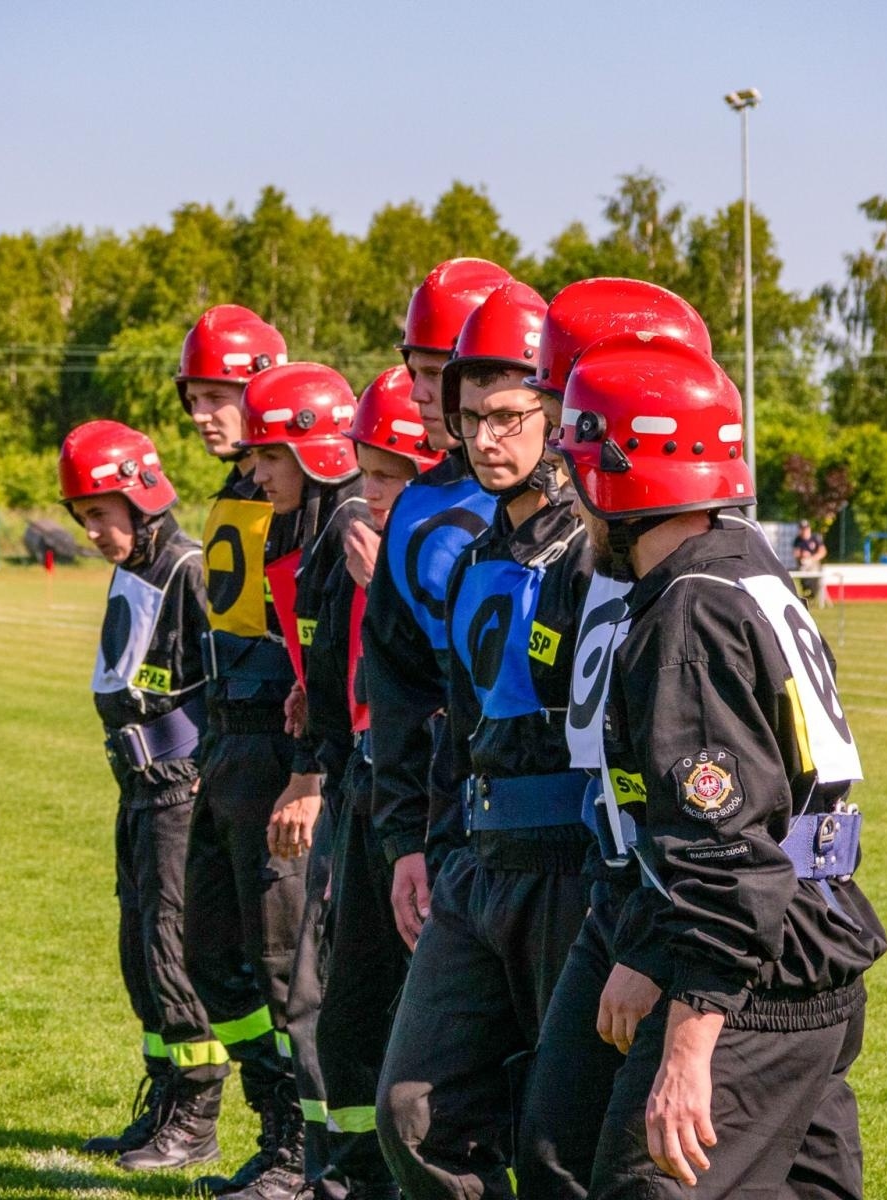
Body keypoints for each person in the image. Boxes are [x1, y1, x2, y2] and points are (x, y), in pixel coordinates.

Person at [552, 333, 887, 1200]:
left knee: (645, 1184)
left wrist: (687, 1050)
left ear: (621, 475)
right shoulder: (748, 572)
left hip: (754, 978)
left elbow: (725, 850)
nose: (572, 498)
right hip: (814, 942)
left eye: (577, 469)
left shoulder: (689, 612)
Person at [375, 279, 599, 1200]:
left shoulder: (597, 555)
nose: (486, 439)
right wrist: (425, 848)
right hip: (475, 866)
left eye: (509, 417)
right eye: (471, 419)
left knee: (562, 1138)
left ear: (555, 415)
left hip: (571, 870)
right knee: (413, 1113)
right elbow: (455, 733)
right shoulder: (473, 561)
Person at [510, 278, 716, 1200]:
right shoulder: (590, 549)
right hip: (614, 875)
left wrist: (653, 940)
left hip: (676, 897)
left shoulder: (693, 575)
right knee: (554, 1144)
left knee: (645, 1163)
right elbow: (556, 688)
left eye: (572, 407)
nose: (564, 436)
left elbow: (721, 813)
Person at [60, 420, 227, 1167]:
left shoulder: (189, 569)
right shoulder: (136, 566)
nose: (93, 531)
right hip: (136, 789)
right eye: (83, 517)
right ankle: (164, 1097)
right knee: (138, 954)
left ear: (142, 497)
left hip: (180, 791)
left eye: (101, 513)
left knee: (170, 952)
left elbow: (223, 686)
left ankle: (197, 1113)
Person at [163, 305, 305, 1184]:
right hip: (226, 742)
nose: (205, 415)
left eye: (220, 395)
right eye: (195, 399)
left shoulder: (304, 493)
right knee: (210, 953)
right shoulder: (239, 490)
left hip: (278, 752)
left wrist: (309, 768)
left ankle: (304, 1144)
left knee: (285, 964)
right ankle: (274, 1113)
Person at [313, 365, 442, 1200]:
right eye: (365, 473)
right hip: (369, 788)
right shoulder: (366, 544)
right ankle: (353, 1180)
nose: (371, 493)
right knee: (349, 1011)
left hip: (433, 804)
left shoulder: (443, 549)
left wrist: (381, 585)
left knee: (421, 1027)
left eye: (390, 476)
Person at [240, 362, 368, 1200]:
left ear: (318, 452)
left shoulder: (348, 527)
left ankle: (332, 1173)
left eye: (269, 455)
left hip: (355, 790)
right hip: (343, 780)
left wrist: (311, 775)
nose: (256, 474)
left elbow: (367, 677)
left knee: (321, 990)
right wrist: (304, 681)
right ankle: (323, 1169)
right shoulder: (309, 529)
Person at [365, 258, 512, 954]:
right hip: (450, 819)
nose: (417, 392)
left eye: (435, 372)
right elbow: (396, 687)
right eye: (414, 370)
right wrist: (404, 837)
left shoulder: (572, 507)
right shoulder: (414, 507)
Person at [792, 520, 828, 600]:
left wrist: (811, 558)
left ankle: (813, 593)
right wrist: (802, 554)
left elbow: (823, 552)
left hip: (814, 564)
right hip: (803, 564)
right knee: (803, 571)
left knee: (814, 574)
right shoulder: (798, 540)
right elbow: (795, 553)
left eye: (805, 528)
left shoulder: (815, 538)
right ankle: (807, 592)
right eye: (802, 529)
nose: (804, 531)